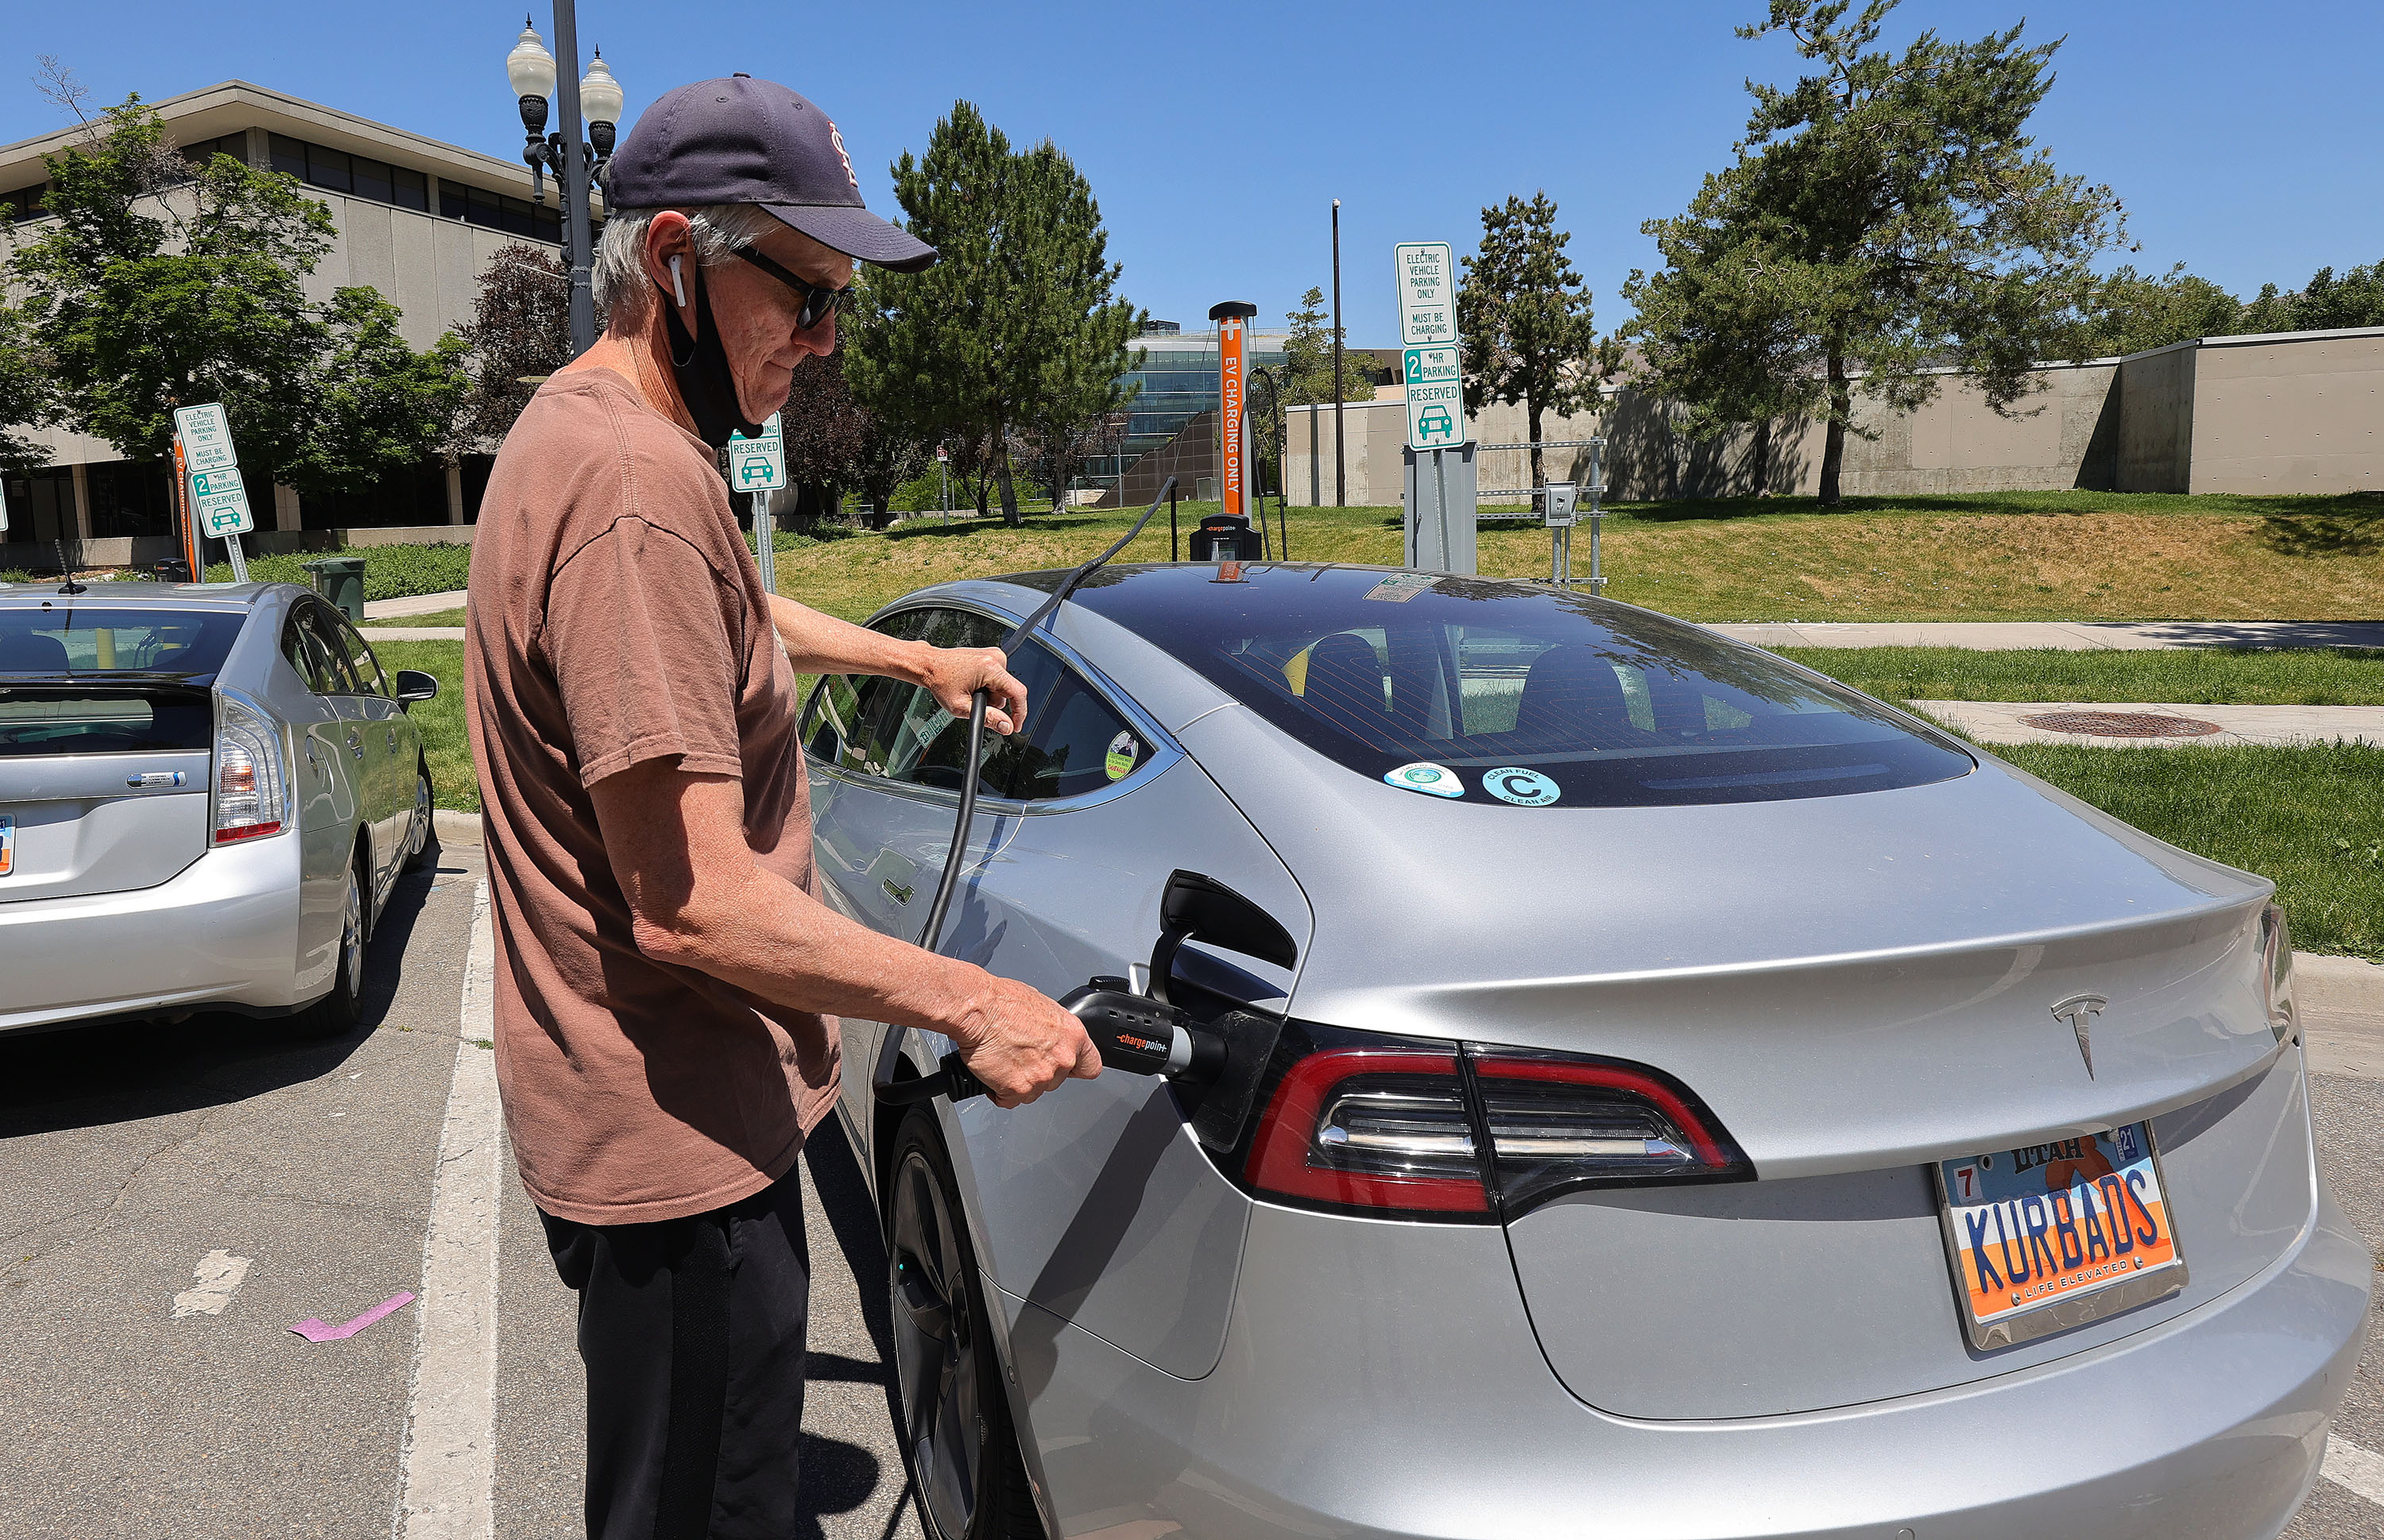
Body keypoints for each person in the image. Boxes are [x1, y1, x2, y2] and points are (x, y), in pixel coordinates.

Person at [463, 75, 1100, 1540]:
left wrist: (919, 655)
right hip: (678, 1154)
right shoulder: (633, 488)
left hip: (641, 1126)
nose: (824, 342)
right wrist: (974, 1002)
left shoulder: (596, 434)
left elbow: (736, 609)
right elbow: (691, 900)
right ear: (677, 256)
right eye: (806, 296)